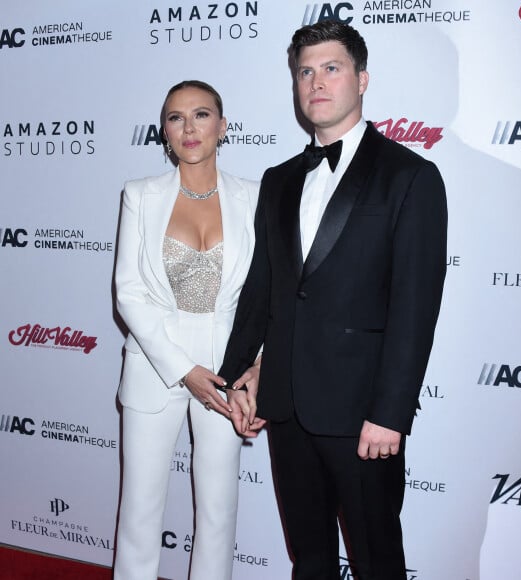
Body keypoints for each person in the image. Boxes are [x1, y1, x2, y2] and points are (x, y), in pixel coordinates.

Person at [220, 21, 447, 580]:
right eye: (305, 71)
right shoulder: (277, 179)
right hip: (289, 406)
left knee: (376, 561)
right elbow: (265, 288)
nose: (316, 82)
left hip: (363, 417)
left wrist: (389, 414)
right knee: (310, 558)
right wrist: (240, 375)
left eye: (332, 68)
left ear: (362, 79)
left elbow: (416, 308)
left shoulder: (410, 176)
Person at [113, 80, 260, 580]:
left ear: (222, 126)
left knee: (218, 512)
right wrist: (182, 370)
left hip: (226, 371)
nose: (189, 127)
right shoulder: (140, 195)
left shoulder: (254, 198)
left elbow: (263, 297)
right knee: (139, 509)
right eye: (176, 118)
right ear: (165, 132)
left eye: (201, 115)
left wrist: (252, 369)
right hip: (156, 367)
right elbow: (129, 293)